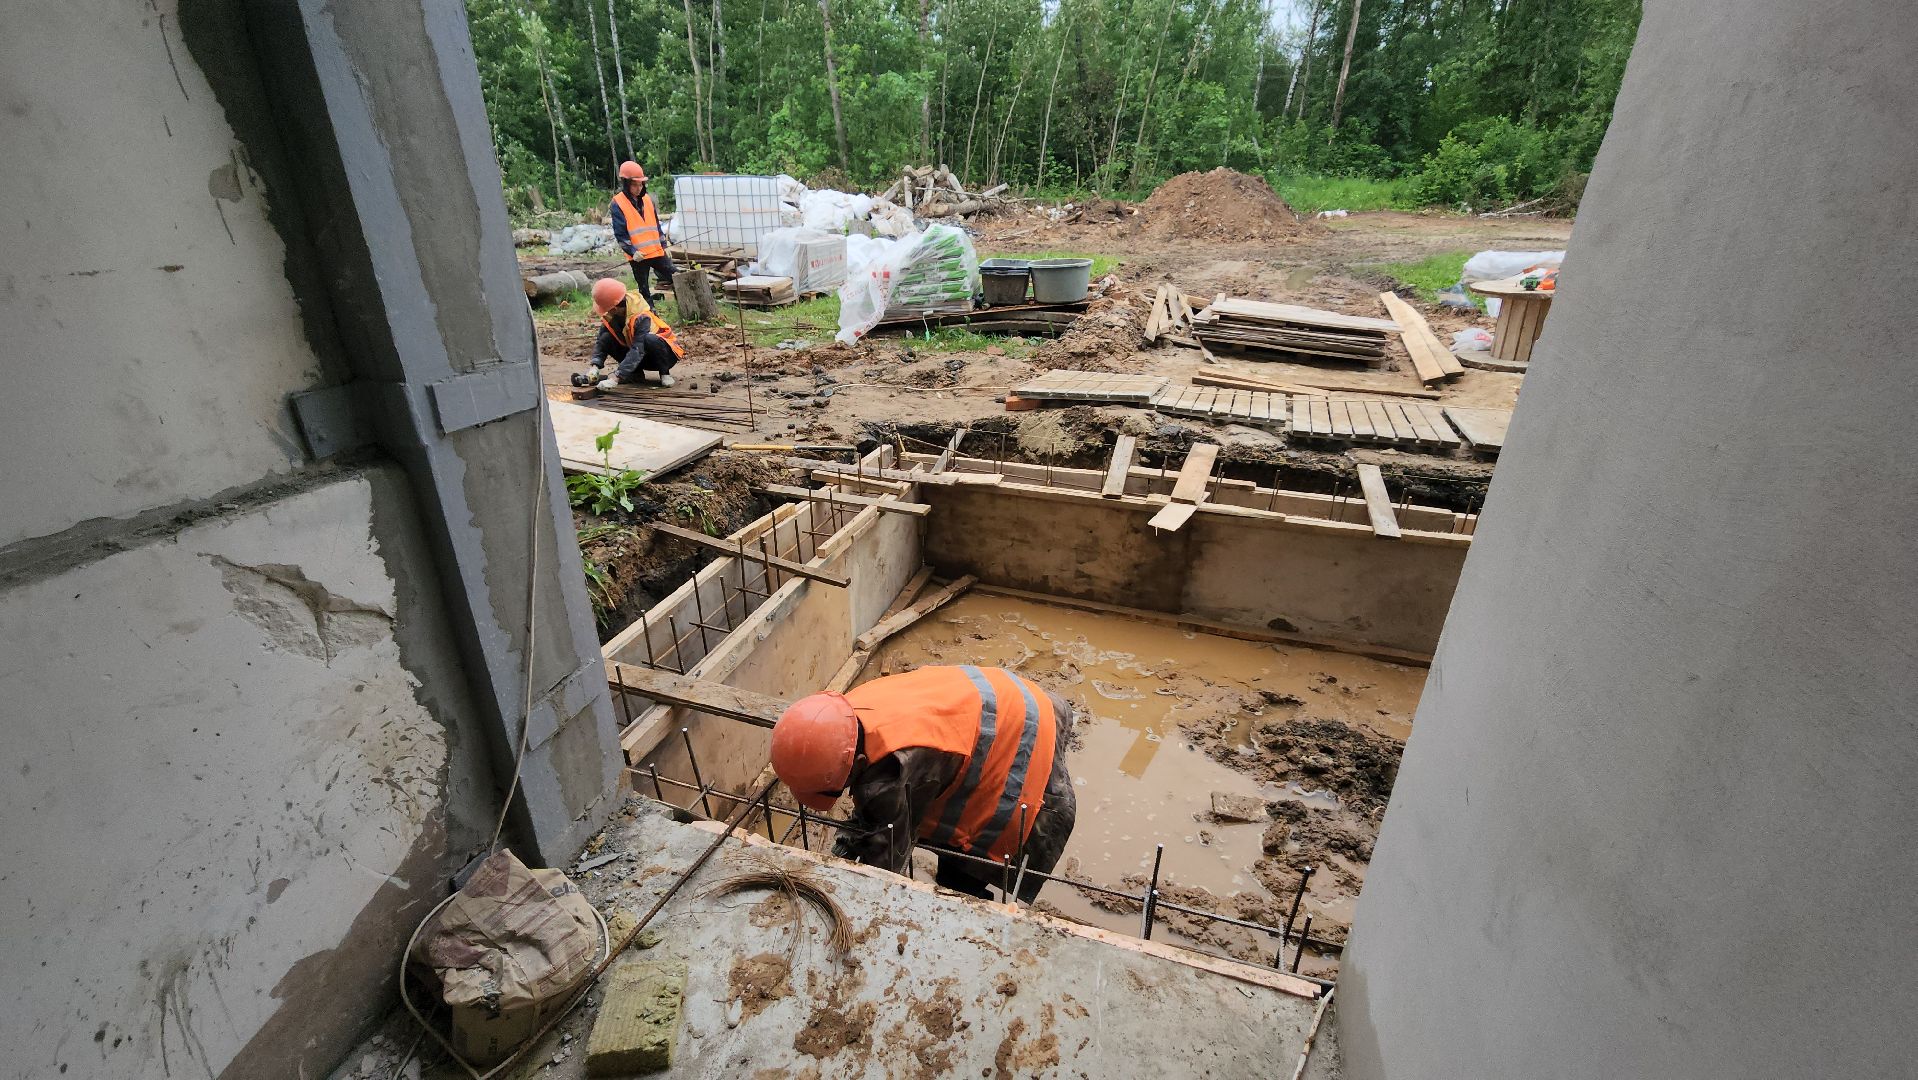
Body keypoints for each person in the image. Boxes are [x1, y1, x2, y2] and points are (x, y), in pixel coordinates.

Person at [770, 664, 1076, 904]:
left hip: (1023, 736)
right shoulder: (843, 714)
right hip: (1005, 696)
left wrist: (844, 885)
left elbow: (886, 860)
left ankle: (968, 916)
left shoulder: (892, 770)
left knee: (963, 868)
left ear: (859, 765)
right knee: (939, 812)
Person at [587, 277, 682, 389]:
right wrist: (595, 366)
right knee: (606, 337)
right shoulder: (613, 315)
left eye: (609, 309)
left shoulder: (641, 317)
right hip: (641, 357)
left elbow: (638, 349)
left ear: (615, 307)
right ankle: (635, 374)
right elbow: (601, 341)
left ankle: (664, 373)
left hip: (664, 355)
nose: (607, 312)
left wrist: (616, 377)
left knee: (649, 339)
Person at [610, 161, 675, 305]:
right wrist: (632, 251)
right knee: (644, 289)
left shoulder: (647, 200)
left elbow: (656, 225)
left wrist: (664, 245)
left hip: (656, 251)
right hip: (638, 256)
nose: (638, 188)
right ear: (626, 183)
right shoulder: (617, 203)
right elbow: (621, 234)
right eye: (635, 185)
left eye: (641, 184)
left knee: (676, 276)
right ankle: (649, 317)